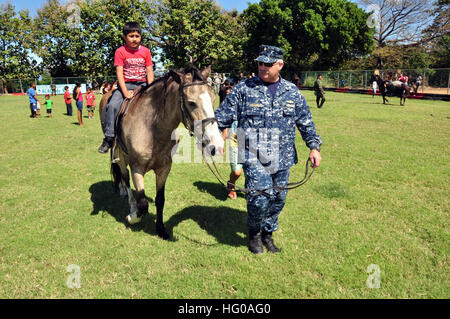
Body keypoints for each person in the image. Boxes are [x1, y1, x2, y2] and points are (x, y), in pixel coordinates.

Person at [215, 45, 322, 254]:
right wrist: (212, 138)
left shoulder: (292, 91)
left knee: (278, 199)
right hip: (254, 155)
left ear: (280, 65)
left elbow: (305, 122)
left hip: (283, 156)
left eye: (268, 64)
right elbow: (222, 116)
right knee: (259, 197)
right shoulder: (244, 88)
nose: (263, 67)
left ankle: (268, 234)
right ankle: (254, 234)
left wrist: (314, 147)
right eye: (260, 63)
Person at [98, 21, 154, 153]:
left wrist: (151, 88)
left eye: (137, 36)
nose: (135, 39)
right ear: (125, 37)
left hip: (143, 84)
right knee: (112, 106)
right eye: (131, 36)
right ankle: (109, 137)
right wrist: (124, 91)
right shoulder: (120, 51)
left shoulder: (146, 51)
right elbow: (119, 73)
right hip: (126, 83)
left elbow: (149, 71)